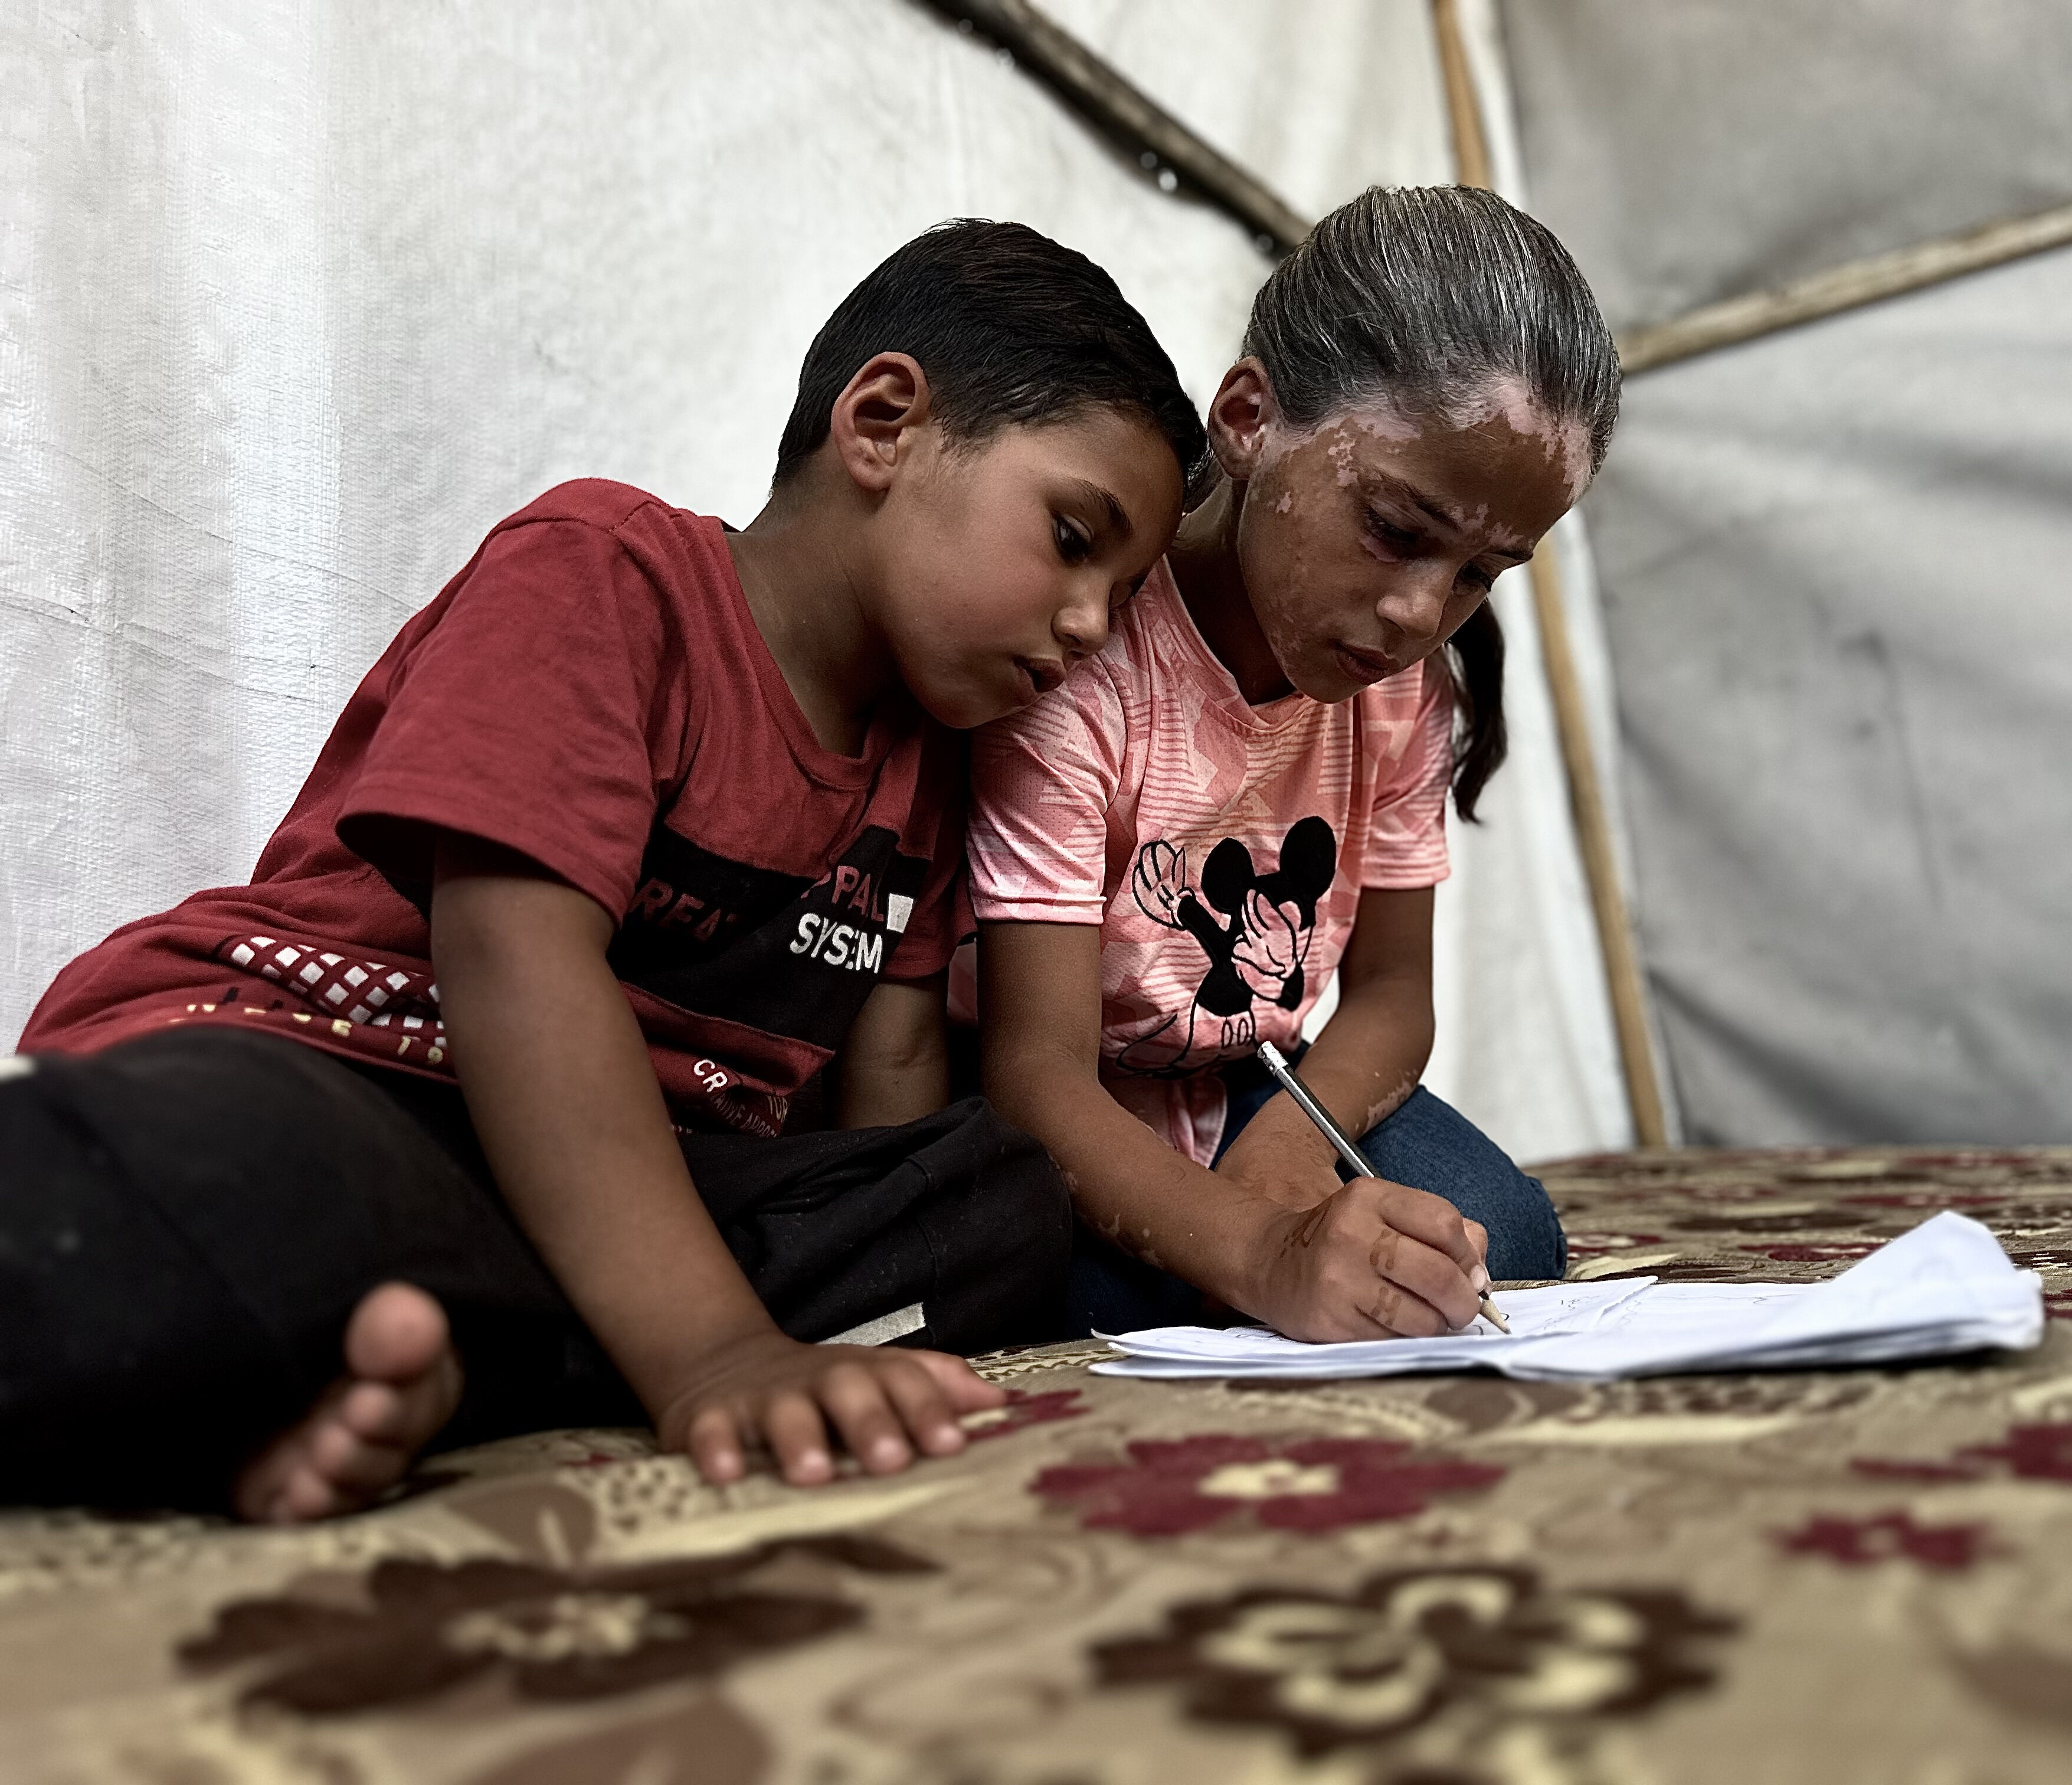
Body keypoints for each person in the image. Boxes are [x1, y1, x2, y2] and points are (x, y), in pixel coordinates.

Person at [2, 220, 1204, 1518]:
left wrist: (869, 1234)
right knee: (232, 1171)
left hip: (614, 1201)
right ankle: (500, 1343)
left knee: (991, 1202)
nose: (1087, 630)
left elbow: (891, 1096)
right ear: (884, 423)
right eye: (1074, 540)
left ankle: (422, 1364)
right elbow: (514, 960)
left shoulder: (933, 762)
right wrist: (716, 1353)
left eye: (1121, 600)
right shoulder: (608, 571)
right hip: (362, 1075)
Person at [968, 186, 1622, 1342]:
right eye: (1396, 529)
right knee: (1040, 1271)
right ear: (1248, 416)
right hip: (1053, 1106)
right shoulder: (1084, 662)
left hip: (1251, 1089)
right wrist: (1262, 1246)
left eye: (1482, 573)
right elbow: (1036, 1076)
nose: (1423, 611)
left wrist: (1280, 1164)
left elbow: (1390, 997)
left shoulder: (1401, 693)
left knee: (1500, 1237)